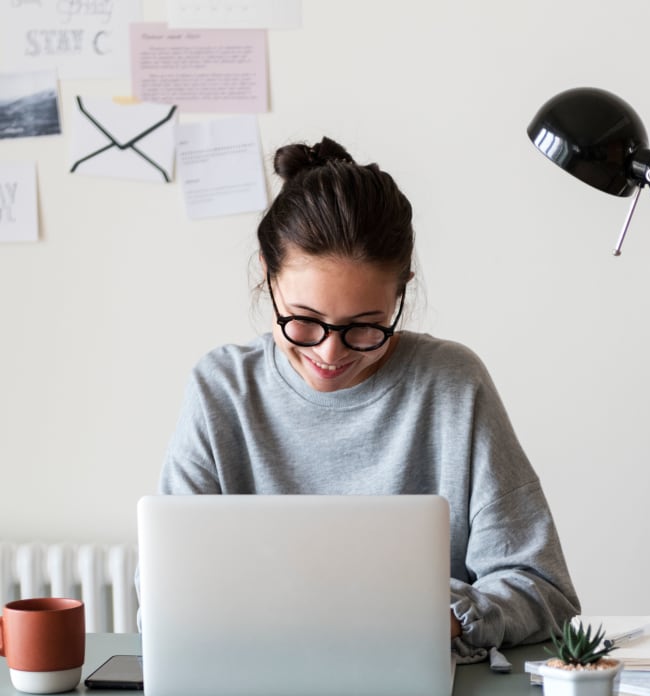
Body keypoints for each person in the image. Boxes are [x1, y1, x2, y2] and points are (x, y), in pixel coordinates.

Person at [157, 136, 580, 651]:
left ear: (399, 296)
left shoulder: (452, 385)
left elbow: (544, 590)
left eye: (365, 327)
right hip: (251, 687)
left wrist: (439, 618)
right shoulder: (221, 389)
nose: (331, 354)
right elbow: (165, 585)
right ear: (267, 281)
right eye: (304, 322)